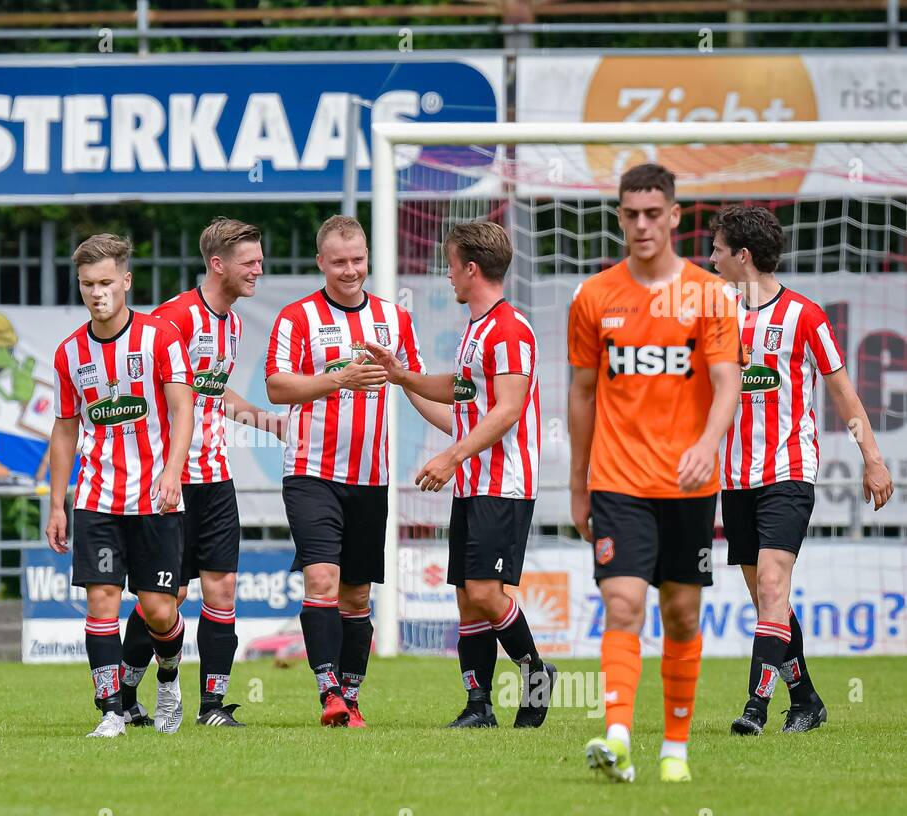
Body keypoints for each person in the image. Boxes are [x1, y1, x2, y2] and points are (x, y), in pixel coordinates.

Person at [568, 164, 741, 783]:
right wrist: (578, 482)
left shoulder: (711, 296)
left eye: (652, 213)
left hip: (689, 483)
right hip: (617, 481)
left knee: (682, 615)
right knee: (622, 604)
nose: (641, 225)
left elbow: (728, 384)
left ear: (674, 216)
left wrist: (707, 442)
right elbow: (583, 393)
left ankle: (675, 750)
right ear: (620, 217)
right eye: (629, 214)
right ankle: (616, 736)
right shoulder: (595, 297)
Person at [708, 203, 894, 734]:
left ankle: (754, 709)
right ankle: (806, 698)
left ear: (743, 256)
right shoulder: (714, 313)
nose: (712, 257)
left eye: (718, 250)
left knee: (772, 585)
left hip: (789, 472)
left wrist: (873, 459)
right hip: (736, 478)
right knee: (771, 602)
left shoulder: (804, 316)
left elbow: (844, 394)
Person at [368, 221, 555, 729]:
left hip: (504, 482)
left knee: (485, 593)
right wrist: (403, 375)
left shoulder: (510, 328)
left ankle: (538, 674)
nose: (447, 275)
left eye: (451, 265)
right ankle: (479, 708)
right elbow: (461, 392)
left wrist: (451, 457)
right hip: (475, 483)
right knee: (466, 599)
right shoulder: (478, 328)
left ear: (472, 268)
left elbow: (508, 409)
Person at [265, 215, 433, 727]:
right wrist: (336, 379)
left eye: (357, 259)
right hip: (311, 471)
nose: (350, 270)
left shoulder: (393, 318)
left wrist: (464, 437)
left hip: (369, 477)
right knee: (322, 578)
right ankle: (328, 693)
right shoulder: (297, 318)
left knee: (357, 594)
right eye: (338, 262)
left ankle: (352, 698)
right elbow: (276, 387)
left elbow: (416, 382)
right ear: (321, 263)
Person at [118, 218, 284, 729]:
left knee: (223, 587)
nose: (259, 269)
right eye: (249, 262)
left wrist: (266, 421)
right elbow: (152, 398)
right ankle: (124, 695)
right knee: (166, 597)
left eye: (259, 259)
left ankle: (212, 706)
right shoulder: (173, 320)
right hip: (173, 479)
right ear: (218, 265)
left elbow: (212, 394)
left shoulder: (232, 323)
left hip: (215, 477)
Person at [45, 234, 195, 738]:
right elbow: (66, 428)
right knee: (101, 601)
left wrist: (172, 471)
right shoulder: (69, 353)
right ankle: (111, 711)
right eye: (87, 284)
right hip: (96, 498)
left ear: (126, 281)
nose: (97, 292)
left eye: (106, 282)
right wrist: (57, 504)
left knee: (158, 609)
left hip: (154, 497)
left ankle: (169, 679)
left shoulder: (159, 338)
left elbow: (182, 408)